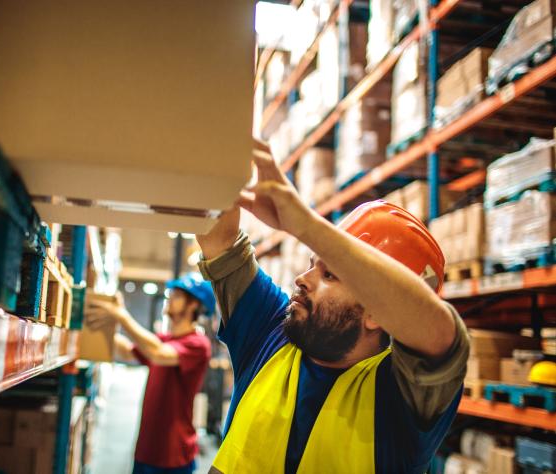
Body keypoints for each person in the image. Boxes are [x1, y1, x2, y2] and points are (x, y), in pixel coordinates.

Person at [195, 140, 470, 473]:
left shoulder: (402, 399)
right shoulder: (271, 331)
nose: (302, 279)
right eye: (312, 263)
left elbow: (440, 335)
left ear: (376, 312)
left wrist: (306, 225)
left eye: (330, 274)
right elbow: (220, 239)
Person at [86, 272, 215, 474]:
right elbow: (127, 351)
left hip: (172, 456)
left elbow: (158, 353)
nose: (170, 298)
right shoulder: (164, 339)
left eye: (178, 295)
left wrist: (122, 315)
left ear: (193, 305)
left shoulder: (198, 345)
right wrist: (103, 322)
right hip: (146, 449)